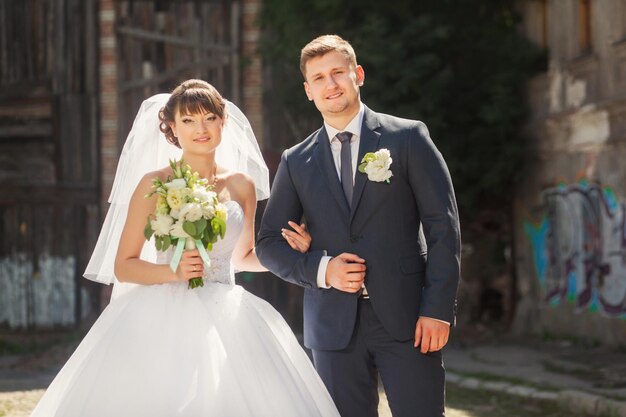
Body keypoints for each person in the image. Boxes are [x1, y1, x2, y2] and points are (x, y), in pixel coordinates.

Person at [30, 79, 340, 417]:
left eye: (208, 118)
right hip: (162, 309)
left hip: (227, 309)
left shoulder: (242, 185)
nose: (200, 128)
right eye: (188, 120)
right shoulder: (154, 183)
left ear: (224, 122)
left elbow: (243, 257)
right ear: (173, 128)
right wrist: (171, 271)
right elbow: (124, 265)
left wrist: (293, 254)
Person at [257, 35, 461, 417]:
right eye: (318, 78)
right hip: (333, 329)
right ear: (308, 91)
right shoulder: (295, 160)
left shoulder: (407, 138)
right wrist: (321, 269)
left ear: (358, 75)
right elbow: (268, 243)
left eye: (338, 73)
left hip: (409, 318)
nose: (330, 84)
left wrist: (437, 309)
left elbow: (443, 227)